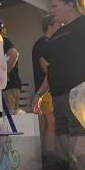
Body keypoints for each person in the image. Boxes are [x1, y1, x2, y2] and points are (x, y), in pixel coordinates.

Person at [33, 0, 85, 170]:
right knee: (77, 152)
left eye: (55, 5)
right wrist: (40, 93)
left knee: (81, 149)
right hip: (60, 97)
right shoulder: (60, 31)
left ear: (71, 4)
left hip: (83, 96)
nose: (51, 10)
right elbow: (52, 68)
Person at [31, 15, 62, 159]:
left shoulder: (45, 43)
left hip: (47, 89)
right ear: (49, 26)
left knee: (50, 122)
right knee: (51, 122)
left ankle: (48, 153)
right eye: (58, 24)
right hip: (45, 89)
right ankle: (49, 155)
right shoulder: (43, 43)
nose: (61, 26)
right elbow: (45, 67)